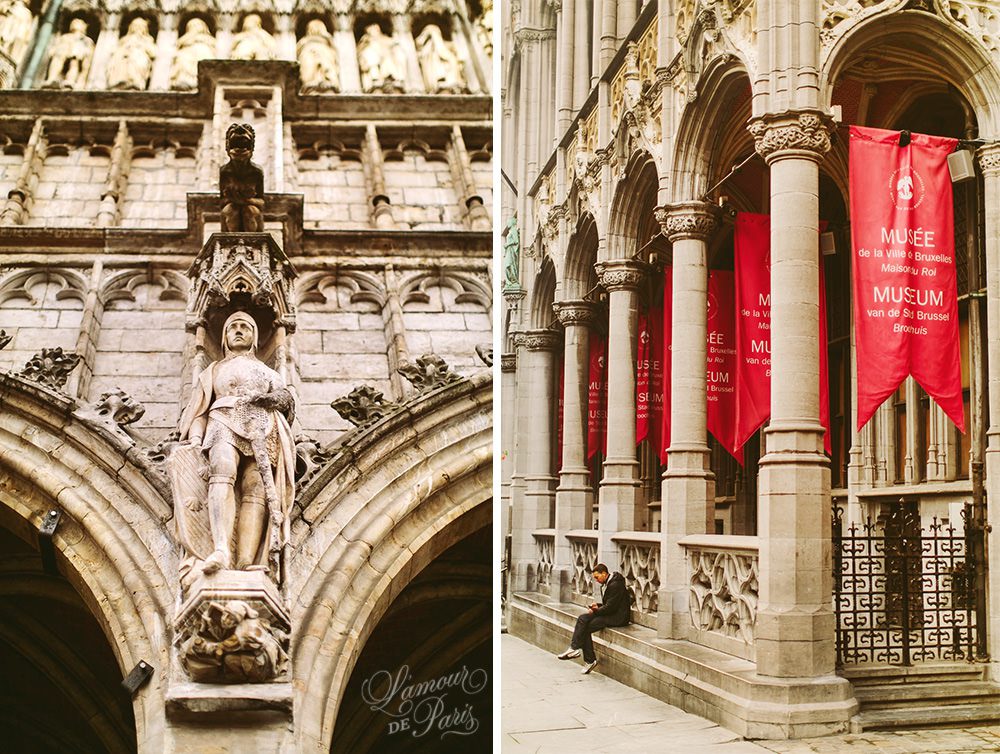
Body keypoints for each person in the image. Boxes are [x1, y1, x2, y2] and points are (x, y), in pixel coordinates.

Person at [176, 311, 296, 577]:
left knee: (256, 487)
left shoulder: (266, 370)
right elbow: (199, 410)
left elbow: (286, 399)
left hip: (263, 426)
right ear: (224, 337)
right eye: (233, 327)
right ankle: (220, 548)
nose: (239, 331)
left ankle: (246, 559)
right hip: (223, 418)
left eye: (246, 327)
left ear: (254, 337)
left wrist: (267, 399)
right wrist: (195, 439)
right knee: (222, 469)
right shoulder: (214, 370)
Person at [556, 563, 630, 674]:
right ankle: (576, 650)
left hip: (618, 617)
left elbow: (611, 607)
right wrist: (598, 606)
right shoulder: (608, 583)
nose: (596, 580)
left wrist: (596, 610)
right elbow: (610, 604)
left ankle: (582, 654)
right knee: (583, 619)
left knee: (585, 625)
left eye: (597, 577)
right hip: (611, 613)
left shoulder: (615, 584)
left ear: (604, 574)